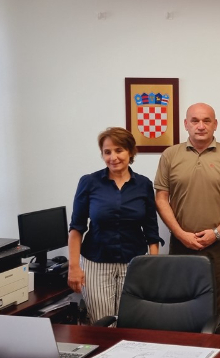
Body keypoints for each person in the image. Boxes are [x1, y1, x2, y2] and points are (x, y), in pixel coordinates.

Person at [154, 103, 220, 333]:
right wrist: (180, 234)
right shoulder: (170, 155)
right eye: (195, 120)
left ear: (215, 124)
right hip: (181, 241)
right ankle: (185, 353)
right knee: (180, 302)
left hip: (218, 243)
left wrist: (217, 232)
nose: (201, 126)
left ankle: (218, 354)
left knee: (219, 306)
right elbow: (161, 198)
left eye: (206, 120)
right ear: (185, 124)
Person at [68, 127, 162, 323]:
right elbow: (76, 228)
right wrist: (74, 267)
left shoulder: (143, 184)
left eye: (119, 150)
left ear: (130, 151)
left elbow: (151, 230)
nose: (113, 157)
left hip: (134, 264)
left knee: (130, 322)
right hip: (96, 262)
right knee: (102, 322)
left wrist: (153, 267)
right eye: (107, 152)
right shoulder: (89, 182)